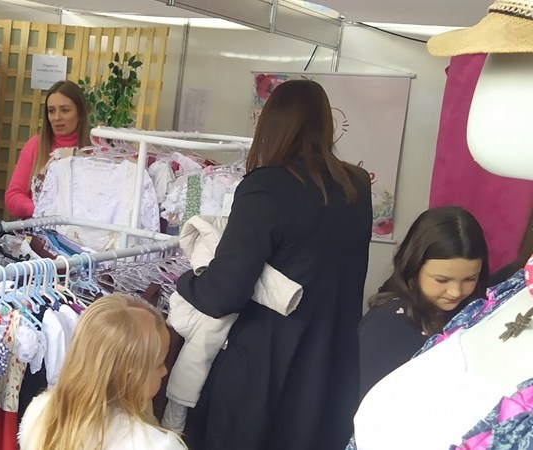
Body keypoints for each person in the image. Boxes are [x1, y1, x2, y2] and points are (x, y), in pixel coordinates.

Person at [175, 80, 372, 450]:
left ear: (269, 124)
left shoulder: (265, 186)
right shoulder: (356, 186)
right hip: (333, 364)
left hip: (268, 366)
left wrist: (186, 279)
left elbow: (223, 294)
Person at [19, 294, 186, 450]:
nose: (164, 371)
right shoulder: (158, 445)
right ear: (131, 374)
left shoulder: (40, 412)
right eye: (159, 364)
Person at [358, 206, 488, 398]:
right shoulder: (386, 323)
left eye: (470, 279)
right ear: (414, 267)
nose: (456, 292)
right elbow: (380, 405)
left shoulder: (476, 309)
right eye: (442, 280)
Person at [4, 80, 90, 219]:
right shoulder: (35, 145)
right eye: (51, 111)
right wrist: (41, 211)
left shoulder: (95, 151)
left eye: (64, 110)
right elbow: (12, 197)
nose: (56, 117)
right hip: (39, 227)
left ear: (80, 113)